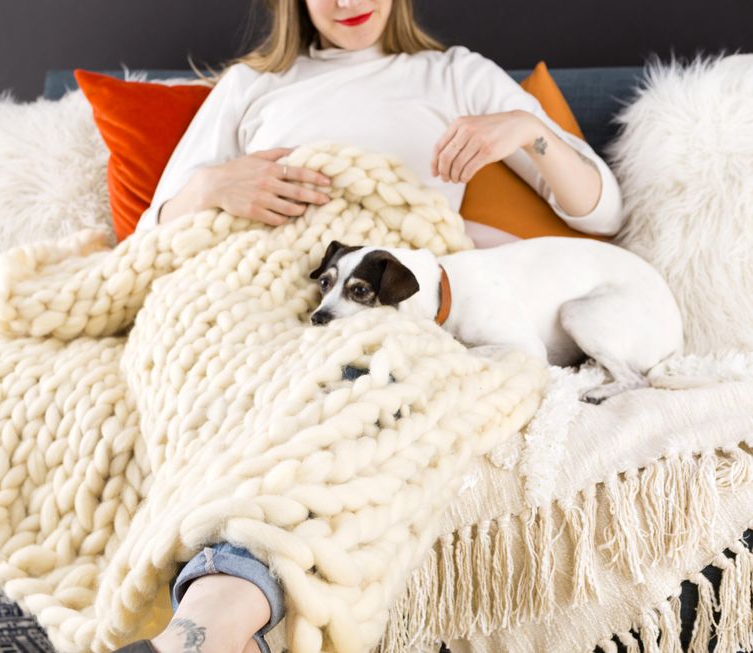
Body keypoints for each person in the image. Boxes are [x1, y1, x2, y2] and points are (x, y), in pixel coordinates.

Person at [128, 2, 625, 653]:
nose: (347, 2)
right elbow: (145, 238)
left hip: (387, 306)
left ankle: (208, 623)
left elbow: (601, 213)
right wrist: (211, 187)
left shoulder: (453, 75)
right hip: (263, 297)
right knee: (244, 391)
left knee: (336, 407)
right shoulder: (252, 85)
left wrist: (528, 131)